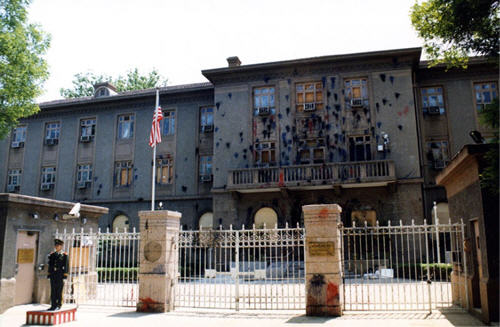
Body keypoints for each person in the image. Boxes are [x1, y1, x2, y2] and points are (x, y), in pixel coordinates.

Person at [47, 239, 68, 311]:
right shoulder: (52, 254)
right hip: (53, 274)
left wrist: (65, 275)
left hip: (60, 274)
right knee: (53, 290)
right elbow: (50, 265)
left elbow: (66, 265)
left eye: (58, 245)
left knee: (59, 290)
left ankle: (59, 304)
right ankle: (53, 305)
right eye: (55, 245)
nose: (56, 247)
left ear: (61, 246)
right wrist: (49, 274)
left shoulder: (64, 255)